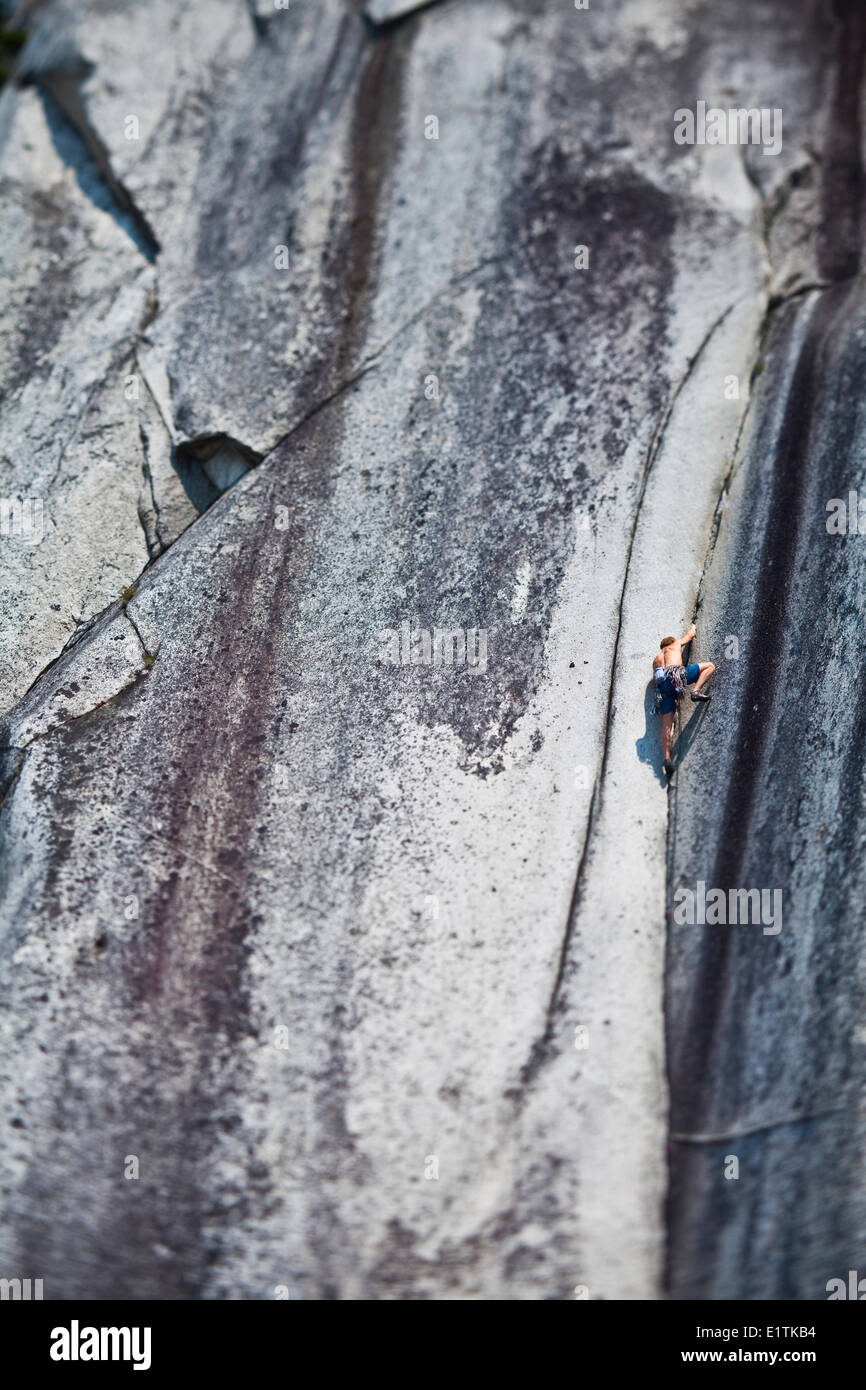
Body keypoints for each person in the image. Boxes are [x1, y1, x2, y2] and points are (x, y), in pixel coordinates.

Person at [652, 624, 715, 777]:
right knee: (710, 666)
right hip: (676, 675)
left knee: (666, 726)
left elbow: (655, 680)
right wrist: (693, 627)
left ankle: (666, 758)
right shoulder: (675, 644)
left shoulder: (656, 659)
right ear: (670, 642)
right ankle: (696, 691)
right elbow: (690, 636)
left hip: (664, 688)